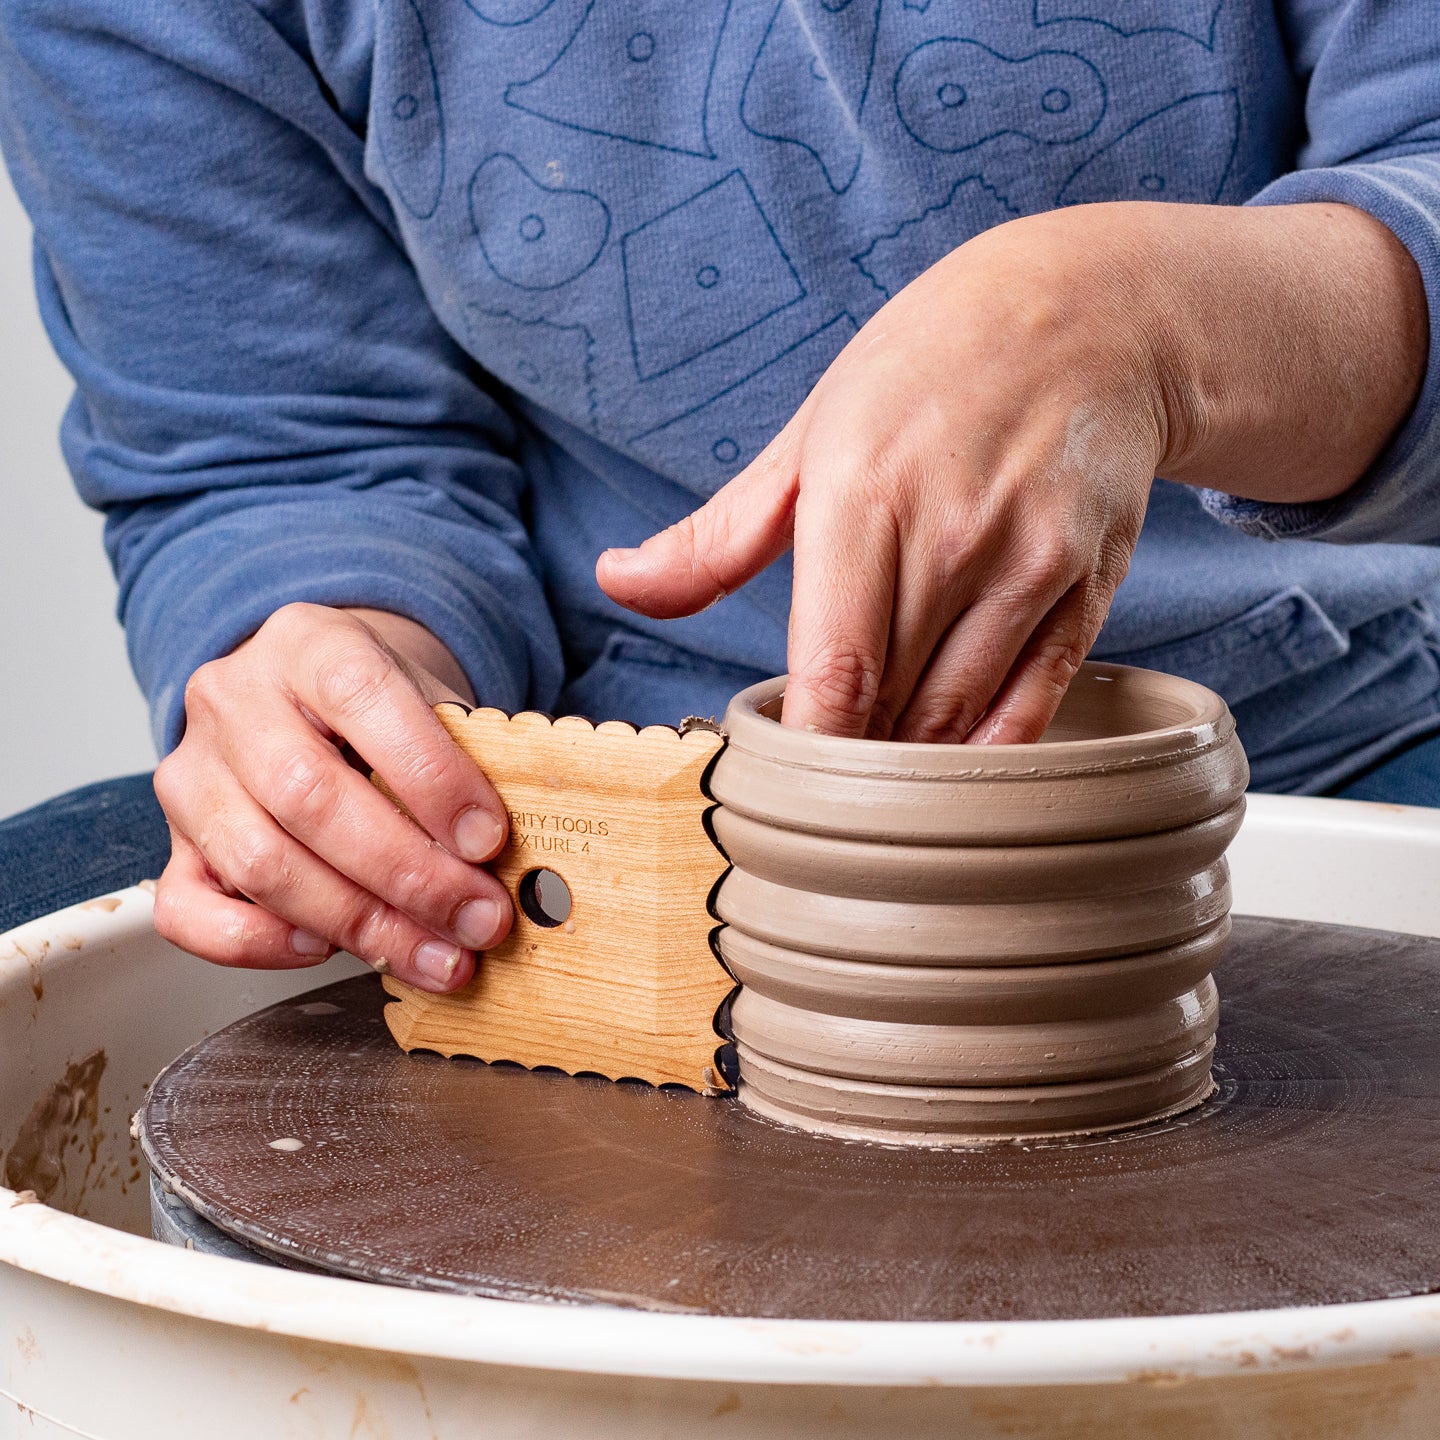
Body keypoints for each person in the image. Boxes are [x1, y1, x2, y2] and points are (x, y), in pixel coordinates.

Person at [1, 0, 1437, 989]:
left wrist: (1148, 330)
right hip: (591, 780)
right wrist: (346, 692)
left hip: (1347, 712)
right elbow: (287, 443)